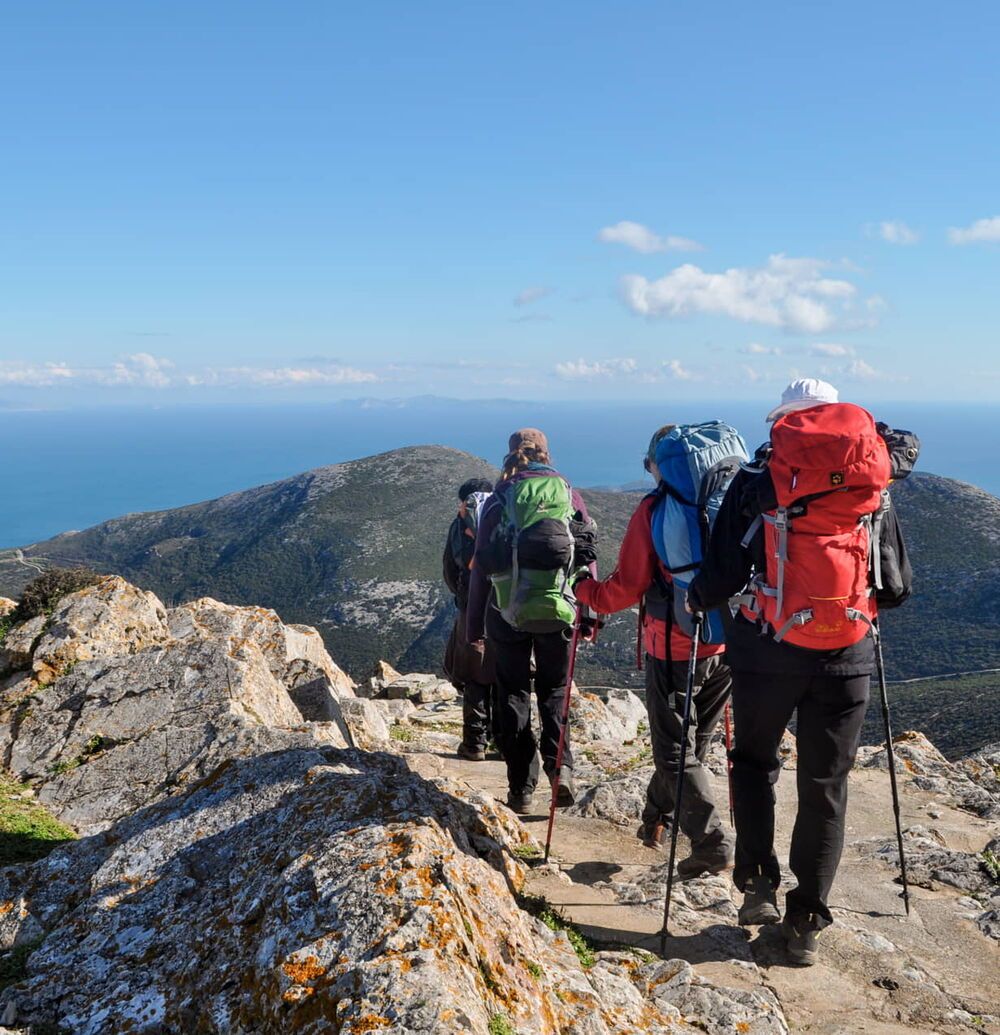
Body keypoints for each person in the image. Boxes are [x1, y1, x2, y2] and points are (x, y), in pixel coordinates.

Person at [687, 378, 912, 967]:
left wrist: (697, 601)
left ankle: (757, 887)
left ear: (784, 423)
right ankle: (807, 920)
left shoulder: (756, 483)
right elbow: (895, 586)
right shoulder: (874, 482)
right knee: (824, 785)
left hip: (767, 651)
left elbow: (720, 575)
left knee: (755, 763)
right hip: (848, 655)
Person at [574, 425, 734, 878]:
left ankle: (711, 843)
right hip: (728, 641)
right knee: (693, 744)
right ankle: (656, 821)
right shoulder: (734, 497)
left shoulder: (656, 509)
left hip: (675, 646)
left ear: (658, 466)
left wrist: (584, 591)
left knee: (673, 752)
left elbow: (625, 587)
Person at [467, 428, 596, 814]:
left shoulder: (500, 498)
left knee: (511, 694)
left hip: (507, 613)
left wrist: (474, 628)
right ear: (547, 454)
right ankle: (562, 773)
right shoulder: (568, 494)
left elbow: (479, 567)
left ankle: (521, 788)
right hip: (560, 609)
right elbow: (586, 554)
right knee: (555, 692)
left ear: (510, 455)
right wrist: (588, 614)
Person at [443, 477, 498, 761]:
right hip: (506, 605)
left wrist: (464, 597)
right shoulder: (504, 514)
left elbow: (449, 570)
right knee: (506, 673)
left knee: (475, 675)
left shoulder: (460, 525)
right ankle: (506, 743)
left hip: (471, 607)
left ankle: (475, 743)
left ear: (464, 500)